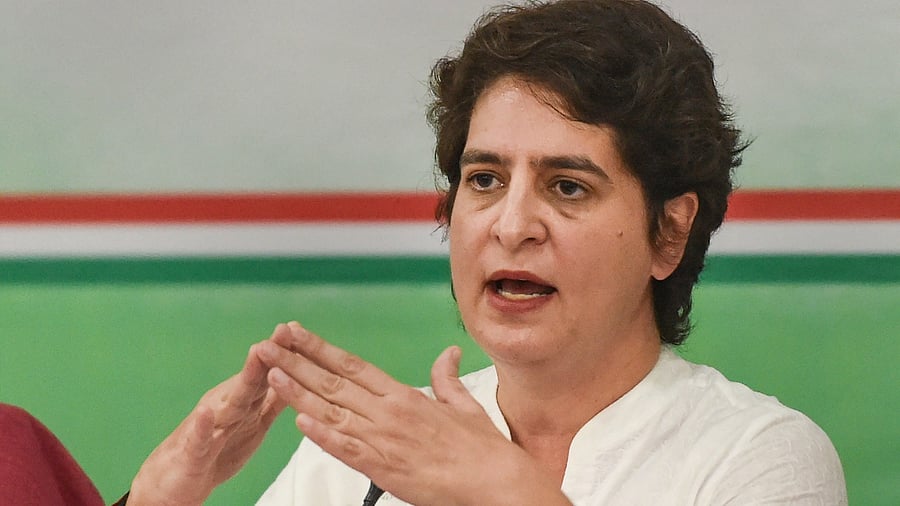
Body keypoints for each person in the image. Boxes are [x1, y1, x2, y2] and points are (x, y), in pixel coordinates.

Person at [123, 1, 847, 504]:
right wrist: (161, 497)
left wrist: (507, 496)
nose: (511, 225)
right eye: (484, 180)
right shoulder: (370, 452)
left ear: (669, 233)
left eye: (567, 187)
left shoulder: (757, 455)